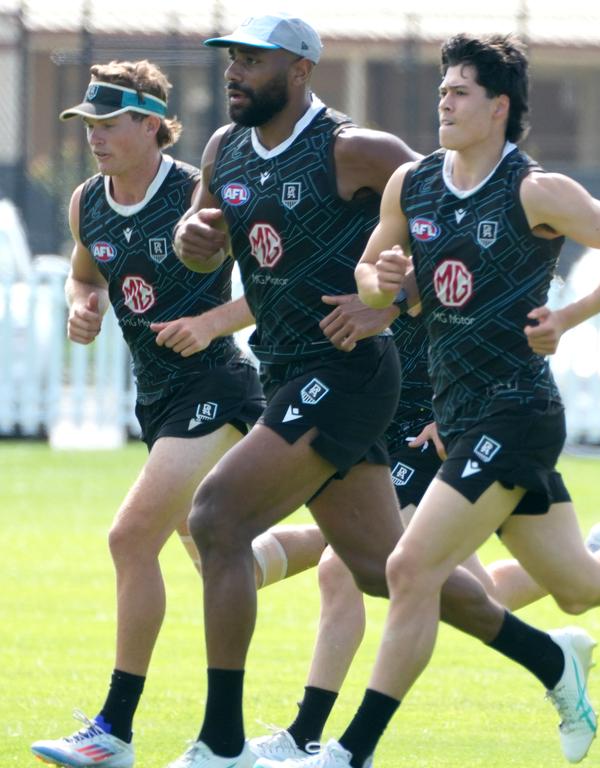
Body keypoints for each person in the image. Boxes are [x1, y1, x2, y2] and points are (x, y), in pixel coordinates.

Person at [259, 31, 600, 768]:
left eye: (459, 91)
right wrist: (385, 277)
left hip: (517, 411)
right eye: (441, 89)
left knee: (408, 570)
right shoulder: (415, 184)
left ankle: (349, 751)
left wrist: (568, 315)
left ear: (498, 107)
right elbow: (372, 275)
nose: (444, 101)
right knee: (579, 586)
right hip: (462, 414)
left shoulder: (535, 189)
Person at [169, 15, 600, 768]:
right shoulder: (223, 149)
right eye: (231, 58)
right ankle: (551, 659)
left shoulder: (357, 149)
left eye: (252, 58)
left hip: (348, 375)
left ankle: (222, 744)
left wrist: (389, 297)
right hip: (285, 367)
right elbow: (201, 231)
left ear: (301, 69)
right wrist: (193, 237)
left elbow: (444, 213)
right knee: (388, 570)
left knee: (216, 518)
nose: (234, 70)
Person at [26, 60, 336, 768]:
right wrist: (84, 305)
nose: (95, 137)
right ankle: (357, 541)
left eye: (110, 124)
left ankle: (113, 730)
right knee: (227, 561)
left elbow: (280, 284)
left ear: (152, 126)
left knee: (130, 538)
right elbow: (85, 271)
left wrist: (211, 323)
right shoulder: (86, 202)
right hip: (158, 400)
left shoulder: (200, 194)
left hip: (218, 386)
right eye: (88, 125)